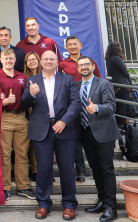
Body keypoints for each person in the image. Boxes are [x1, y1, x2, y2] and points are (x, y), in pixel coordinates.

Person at [21, 51, 81, 220]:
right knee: (43, 170)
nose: (48, 61)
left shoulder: (67, 79)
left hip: (64, 129)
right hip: (42, 131)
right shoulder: (31, 81)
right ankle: (43, 204)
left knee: (67, 169)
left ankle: (69, 204)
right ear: (41, 62)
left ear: (57, 62)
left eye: (51, 59)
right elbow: (24, 103)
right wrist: (31, 94)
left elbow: (75, 103)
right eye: (45, 59)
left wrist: (64, 121)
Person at [77, 56, 120, 222]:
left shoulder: (103, 83)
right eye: (81, 65)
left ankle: (111, 207)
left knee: (106, 169)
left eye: (87, 64)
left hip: (104, 133)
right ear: (78, 68)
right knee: (95, 169)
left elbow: (111, 106)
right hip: (86, 133)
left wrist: (97, 108)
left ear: (93, 66)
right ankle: (102, 201)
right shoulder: (77, 86)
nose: (84, 67)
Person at [0, 48, 35, 202]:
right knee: (4, 155)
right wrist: (4, 102)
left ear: (15, 59)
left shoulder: (23, 77)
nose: (8, 61)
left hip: (22, 117)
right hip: (4, 118)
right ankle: (4, 188)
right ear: (1, 60)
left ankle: (23, 187)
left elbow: (28, 99)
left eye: (11, 58)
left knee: (22, 153)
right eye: (5, 58)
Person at [58, 35, 102, 183]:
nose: (72, 47)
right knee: (76, 138)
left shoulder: (90, 62)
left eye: (75, 44)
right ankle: (80, 170)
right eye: (69, 45)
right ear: (66, 47)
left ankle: (97, 166)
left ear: (80, 45)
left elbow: (99, 81)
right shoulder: (62, 64)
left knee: (91, 135)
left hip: (89, 104)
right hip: (71, 104)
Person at [23, 51, 42, 181]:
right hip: (27, 115)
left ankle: (41, 170)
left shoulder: (44, 76)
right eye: (29, 60)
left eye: (34, 59)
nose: (32, 62)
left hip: (43, 114)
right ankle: (34, 170)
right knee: (31, 144)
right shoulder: (23, 77)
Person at [105, 41, 132, 126]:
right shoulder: (116, 58)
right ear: (116, 48)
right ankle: (124, 126)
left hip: (115, 85)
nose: (121, 48)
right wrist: (130, 84)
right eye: (120, 47)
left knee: (118, 106)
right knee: (123, 107)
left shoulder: (109, 59)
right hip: (122, 85)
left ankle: (119, 125)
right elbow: (125, 72)